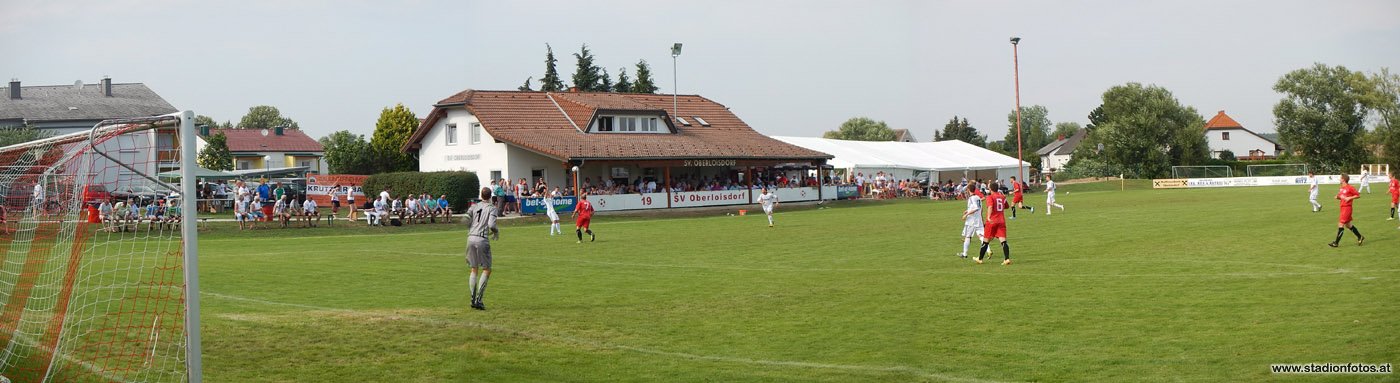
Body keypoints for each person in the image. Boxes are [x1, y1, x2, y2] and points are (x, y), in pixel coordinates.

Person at [466, 186, 500, 310]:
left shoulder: (474, 206)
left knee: (474, 269)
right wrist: (496, 231)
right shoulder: (492, 208)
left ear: (481, 195)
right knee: (486, 269)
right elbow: (491, 224)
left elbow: (466, 219)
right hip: (481, 238)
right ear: (490, 196)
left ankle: (472, 298)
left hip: (470, 238)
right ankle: (478, 300)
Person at [977, 181, 1012, 265]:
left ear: (990, 189)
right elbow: (1007, 206)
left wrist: (988, 217)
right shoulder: (1002, 197)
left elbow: (990, 207)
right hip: (1001, 221)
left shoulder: (990, 197)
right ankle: (1006, 259)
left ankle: (980, 259)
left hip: (992, 221)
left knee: (985, 241)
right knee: (1003, 241)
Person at [1329, 174, 1364, 247]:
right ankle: (1360, 237)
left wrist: (1349, 198)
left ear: (1343, 179)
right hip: (1342, 207)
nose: (1339, 179)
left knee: (1341, 224)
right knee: (1348, 225)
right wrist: (1337, 197)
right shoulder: (1341, 188)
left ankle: (1336, 243)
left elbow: (1358, 195)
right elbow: (1341, 197)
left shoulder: (1350, 187)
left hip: (1347, 208)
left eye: (1340, 178)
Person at [959, 186, 984, 259]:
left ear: (969, 190)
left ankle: (964, 254)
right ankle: (988, 251)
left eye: (967, 190)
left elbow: (976, 208)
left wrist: (966, 214)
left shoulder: (972, 198)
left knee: (967, 236)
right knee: (981, 236)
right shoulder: (978, 197)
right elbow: (978, 207)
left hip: (971, 220)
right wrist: (967, 210)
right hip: (978, 219)